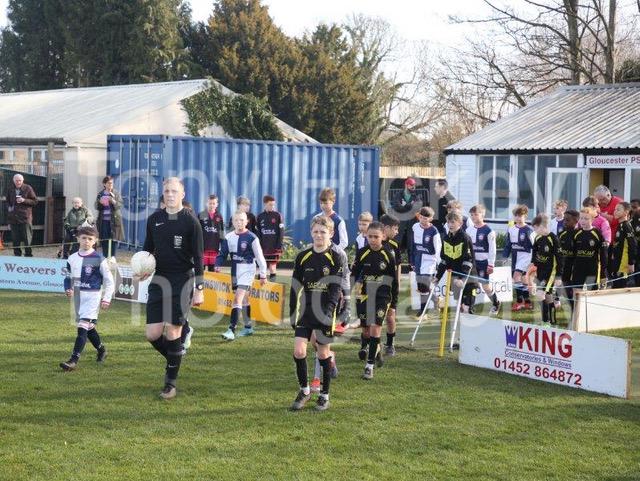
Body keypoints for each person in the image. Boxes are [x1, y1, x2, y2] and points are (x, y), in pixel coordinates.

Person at [142, 177, 204, 400]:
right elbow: (147, 250)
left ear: (182, 194)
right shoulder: (154, 219)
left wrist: (200, 288)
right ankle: (174, 358)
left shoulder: (191, 222)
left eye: (174, 191)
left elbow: (198, 258)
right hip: (159, 279)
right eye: (167, 191)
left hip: (182, 280)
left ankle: (170, 384)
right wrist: (142, 268)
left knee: (172, 332)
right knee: (152, 334)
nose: (170, 194)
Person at [289, 215, 348, 412]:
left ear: (331, 233)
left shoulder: (336, 257)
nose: (319, 235)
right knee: (299, 351)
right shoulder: (303, 256)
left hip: (325, 312)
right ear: (311, 233)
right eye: (315, 231)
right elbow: (295, 286)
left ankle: (324, 395)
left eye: (323, 232)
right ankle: (304, 391)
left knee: (323, 354)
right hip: (305, 311)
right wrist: (292, 311)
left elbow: (336, 288)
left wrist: (329, 312)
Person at [60, 226, 114, 371]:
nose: (86, 241)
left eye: (90, 239)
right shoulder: (72, 258)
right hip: (79, 297)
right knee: (89, 328)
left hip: (93, 297)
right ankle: (102, 349)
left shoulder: (99, 259)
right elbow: (67, 277)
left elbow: (109, 281)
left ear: (95, 241)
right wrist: (68, 288)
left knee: (82, 328)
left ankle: (73, 360)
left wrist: (106, 298)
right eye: (84, 238)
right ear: (78, 239)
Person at [352, 222, 399, 380]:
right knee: (366, 330)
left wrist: (393, 304)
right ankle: (376, 349)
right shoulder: (362, 253)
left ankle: (369, 366)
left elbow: (394, 281)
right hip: (364, 296)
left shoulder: (388, 255)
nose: (372, 239)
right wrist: (352, 290)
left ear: (383, 236)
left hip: (382, 297)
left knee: (375, 328)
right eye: (370, 236)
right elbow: (354, 274)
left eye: (376, 237)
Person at [216, 211, 267, 340]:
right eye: (236, 220)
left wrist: (263, 274)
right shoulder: (229, 237)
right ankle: (248, 327)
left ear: (247, 221)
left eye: (242, 220)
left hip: (247, 270)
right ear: (232, 222)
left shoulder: (252, 238)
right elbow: (222, 254)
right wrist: (217, 264)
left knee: (237, 299)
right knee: (244, 300)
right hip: (235, 271)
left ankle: (231, 330)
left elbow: (260, 257)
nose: (239, 223)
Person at [433, 212, 477, 315]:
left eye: (453, 222)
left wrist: (462, 278)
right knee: (460, 307)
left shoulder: (465, 238)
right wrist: (437, 277)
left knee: (467, 308)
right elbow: (444, 260)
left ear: (460, 223)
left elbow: (468, 260)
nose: (450, 225)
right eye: (448, 222)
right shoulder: (446, 239)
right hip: (454, 277)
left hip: (467, 277)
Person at [526, 214, 562, 324]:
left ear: (541, 226)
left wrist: (558, 275)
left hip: (550, 272)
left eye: (535, 228)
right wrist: (533, 263)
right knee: (548, 296)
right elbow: (535, 251)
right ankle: (552, 321)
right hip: (540, 271)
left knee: (540, 294)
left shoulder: (553, 239)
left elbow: (560, 258)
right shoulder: (538, 237)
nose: (534, 231)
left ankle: (545, 321)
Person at [467, 204, 501, 315]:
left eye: (476, 214)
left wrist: (491, 264)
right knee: (472, 284)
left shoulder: (489, 231)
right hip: (472, 263)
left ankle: (496, 303)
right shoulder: (468, 230)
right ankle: (470, 308)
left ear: (482, 215)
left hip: (483, 263)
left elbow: (492, 249)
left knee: (485, 286)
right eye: (472, 215)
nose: (473, 217)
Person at [407, 206, 441, 316]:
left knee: (424, 284)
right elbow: (412, 245)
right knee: (421, 287)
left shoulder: (434, 231)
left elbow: (438, 248)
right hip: (418, 260)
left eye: (425, 218)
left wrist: (438, 264)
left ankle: (423, 311)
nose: (422, 220)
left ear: (431, 219)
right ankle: (435, 299)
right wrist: (411, 261)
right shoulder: (415, 227)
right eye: (421, 217)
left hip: (430, 261)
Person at [504, 205, 535, 311]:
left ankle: (519, 301)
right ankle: (527, 301)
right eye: (516, 216)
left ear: (525, 216)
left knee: (516, 277)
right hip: (515, 256)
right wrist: (505, 256)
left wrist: (534, 260)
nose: (518, 218)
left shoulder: (529, 230)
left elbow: (535, 245)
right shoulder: (511, 229)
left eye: (520, 216)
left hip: (526, 256)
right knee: (523, 279)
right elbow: (508, 244)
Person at [569, 207, 608, 292]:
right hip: (578, 268)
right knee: (576, 292)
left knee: (591, 293)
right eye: (581, 218)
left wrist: (603, 274)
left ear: (592, 219)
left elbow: (603, 255)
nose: (583, 221)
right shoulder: (577, 233)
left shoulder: (597, 234)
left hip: (592, 269)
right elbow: (573, 252)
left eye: (586, 219)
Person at [380, 214, 401, 356]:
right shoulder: (375, 243)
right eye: (395, 229)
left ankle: (390, 344)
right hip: (376, 286)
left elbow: (398, 266)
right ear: (386, 228)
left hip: (391, 287)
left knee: (390, 315)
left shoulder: (394, 245)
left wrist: (397, 284)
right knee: (372, 317)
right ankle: (367, 344)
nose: (397, 232)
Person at [5, 173, 37, 257]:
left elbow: (35, 201)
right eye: (16, 180)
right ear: (13, 181)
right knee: (15, 240)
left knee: (27, 239)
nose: (18, 182)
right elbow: (7, 201)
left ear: (23, 180)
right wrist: (9, 207)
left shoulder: (28, 188)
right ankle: (17, 256)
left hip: (25, 218)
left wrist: (24, 200)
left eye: (20, 180)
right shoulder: (10, 188)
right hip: (13, 219)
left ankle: (28, 255)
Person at [608, 202, 637, 289]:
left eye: (618, 210)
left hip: (623, 263)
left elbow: (633, 245)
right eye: (615, 209)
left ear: (626, 212)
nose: (615, 211)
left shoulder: (626, 226)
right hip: (617, 261)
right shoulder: (620, 225)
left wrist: (631, 263)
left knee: (621, 287)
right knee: (615, 286)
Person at [94, 176, 124, 260]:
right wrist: (100, 203)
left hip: (114, 221)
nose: (111, 184)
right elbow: (96, 206)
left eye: (112, 183)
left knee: (113, 239)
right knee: (104, 239)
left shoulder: (116, 193)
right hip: (103, 221)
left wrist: (113, 201)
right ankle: (105, 257)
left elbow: (120, 205)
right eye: (109, 183)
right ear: (104, 184)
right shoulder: (100, 194)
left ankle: (112, 258)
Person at [257, 195, 285, 280]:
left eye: (273, 205)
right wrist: (258, 245)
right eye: (270, 205)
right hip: (263, 248)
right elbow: (258, 233)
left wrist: (279, 245)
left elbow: (281, 232)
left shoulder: (278, 215)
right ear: (265, 204)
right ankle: (260, 287)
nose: (272, 206)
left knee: (272, 268)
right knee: (262, 269)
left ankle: (273, 286)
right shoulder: (260, 217)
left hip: (274, 248)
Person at [557, 209, 580, 311]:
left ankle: (575, 311)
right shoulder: (561, 234)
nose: (565, 222)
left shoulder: (579, 234)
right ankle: (572, 310)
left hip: (575, 267)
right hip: (564, 267)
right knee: (565, 289)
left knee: (573, 291)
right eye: (564, 220)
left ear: (576, 221)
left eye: (567, 220)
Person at [392, 177, 423, 249]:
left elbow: (417, 207)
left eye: (414, 185)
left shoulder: (416, 195)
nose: (413, 186)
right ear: (406, 185)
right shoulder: (398, 194)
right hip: (401, 217)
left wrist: (405, 205)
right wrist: (410, 205)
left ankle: (410, 254)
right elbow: (396, 207)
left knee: (411, 237)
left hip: (412, 218)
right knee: (398, 235)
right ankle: (396, 252)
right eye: (411, 185)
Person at [198, 194, 225, 272]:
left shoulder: (219, 216)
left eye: (213, 203)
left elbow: (221, 231)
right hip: (203, 247)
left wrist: (222, 244)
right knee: (201, 270)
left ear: (217, 204)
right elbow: (198, 231)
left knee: (212, 271)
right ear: (206, 203)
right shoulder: (201, 214)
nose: (212, 205)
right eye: (210, 203)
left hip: (214, 248)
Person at [631, 199, 640, 287]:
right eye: (631, 207)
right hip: (635, 248)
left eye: (635, 207)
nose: (632, 209)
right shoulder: (632, 218)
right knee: (636, 267)